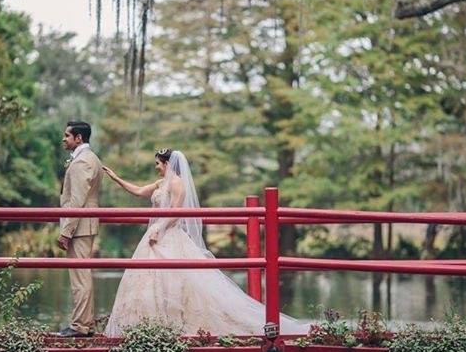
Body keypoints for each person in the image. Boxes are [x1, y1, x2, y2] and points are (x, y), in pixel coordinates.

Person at [102, 148, 308, 337]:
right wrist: (115, 178)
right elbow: (139, 191)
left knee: (176, 280)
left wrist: (160, 228)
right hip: (155, 234)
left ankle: (176, 323)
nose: (156, 167)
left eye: (158, 163)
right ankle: (149, 324)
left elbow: (176, 212)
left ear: (167, 164)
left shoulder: (176, 184)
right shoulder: (160, 183)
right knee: (149, 279)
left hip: (168, 234)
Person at [58, 120, 103, 337]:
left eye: (67, 135)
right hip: (84, 224)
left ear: (79, 138)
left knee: (80, 277)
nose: (63, 139)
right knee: (82, 275)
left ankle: (80, 326)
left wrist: (66, 231)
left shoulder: (82, 162)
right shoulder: (89, 158)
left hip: (80, 226)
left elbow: (76, 200)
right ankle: (85, 324)